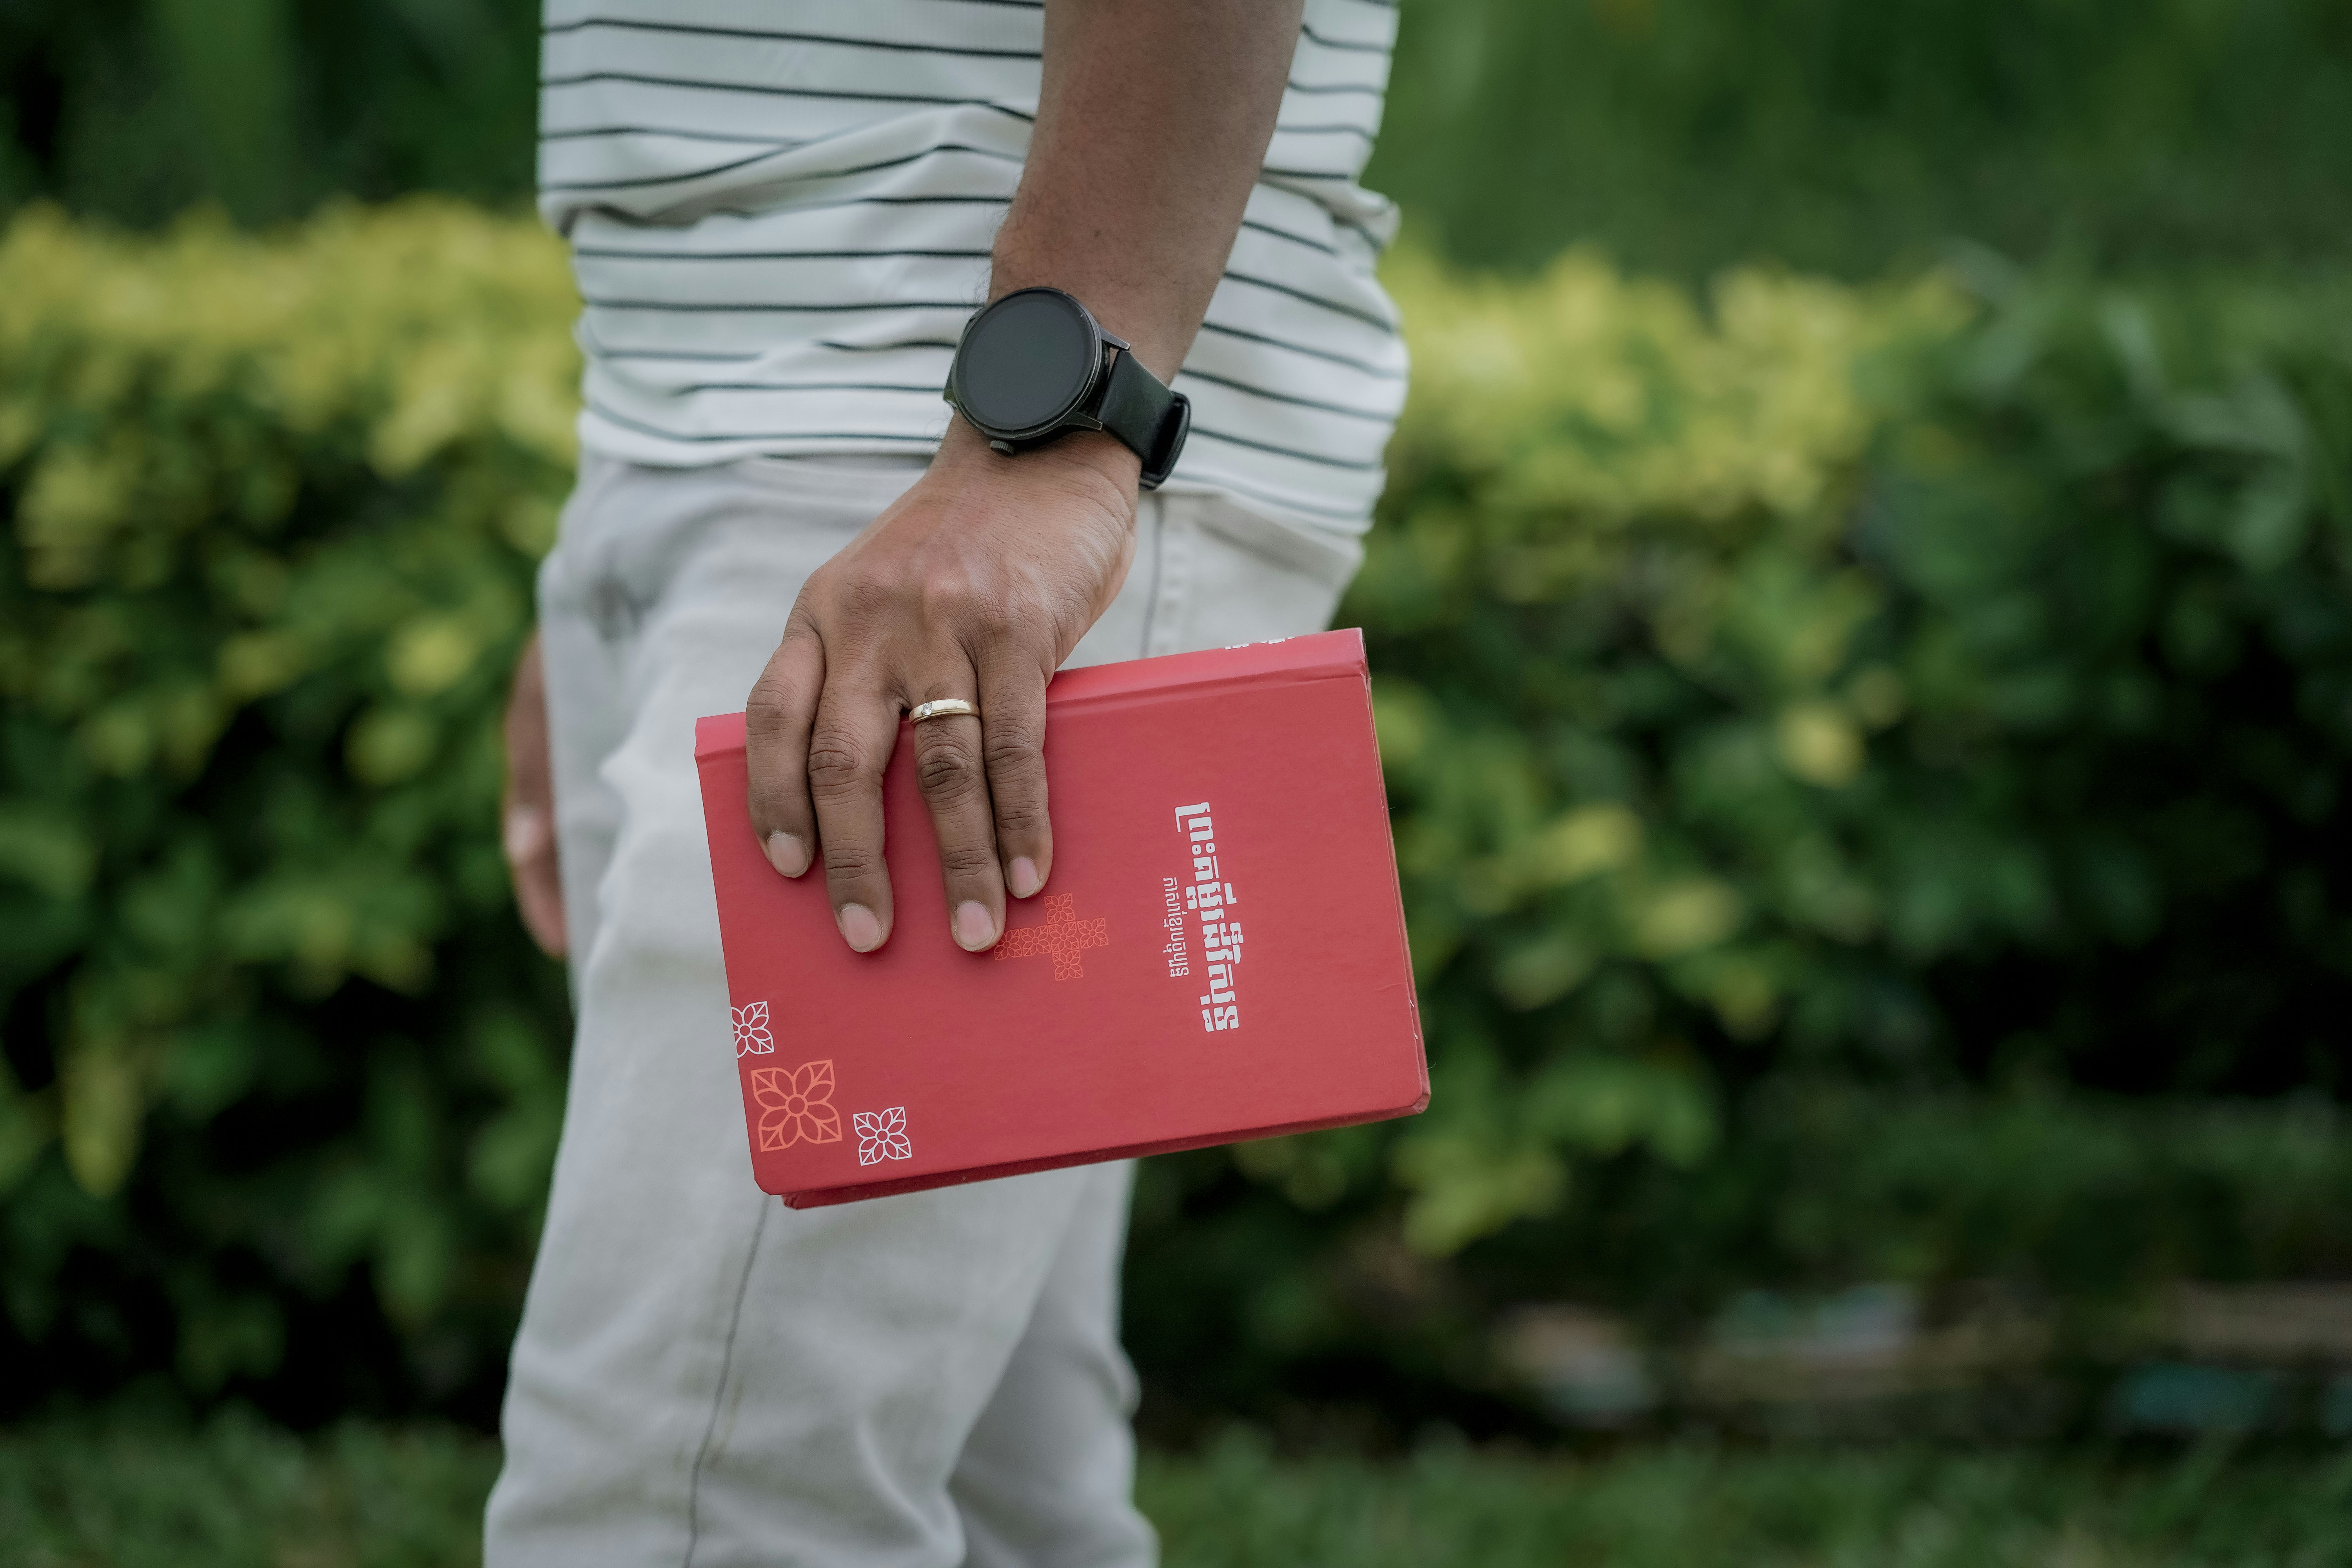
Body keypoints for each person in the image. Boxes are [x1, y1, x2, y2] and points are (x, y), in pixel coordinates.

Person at [488, 0, 1405, 1560]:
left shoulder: (996, 468)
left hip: (947, 465)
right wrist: (630, 575)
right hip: (743, 459)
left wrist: (1051, 431)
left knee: (684, 1508)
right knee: (1002, 1500)